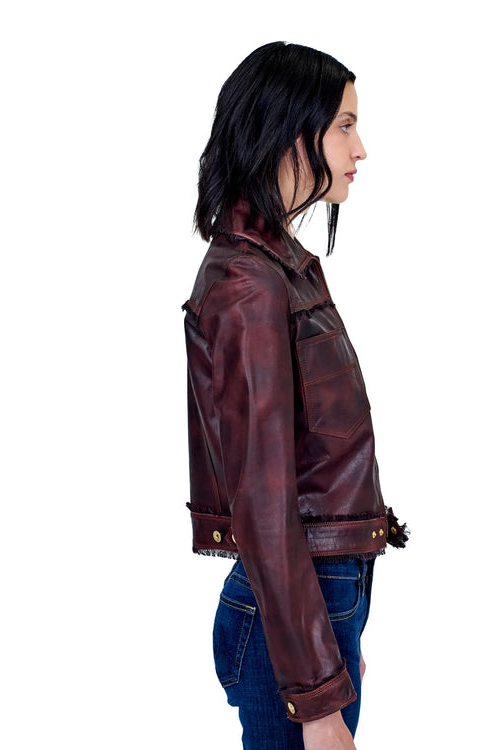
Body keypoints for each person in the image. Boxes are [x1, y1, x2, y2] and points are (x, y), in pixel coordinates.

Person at [182, 41, 408, 750]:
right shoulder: (249, 283)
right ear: (288, 131)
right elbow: (263, 499)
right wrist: (314, 691)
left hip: (318, 599)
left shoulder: (280, 267)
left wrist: (340, 636)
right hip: (298, 603)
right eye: (344, 125)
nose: (360, 148)